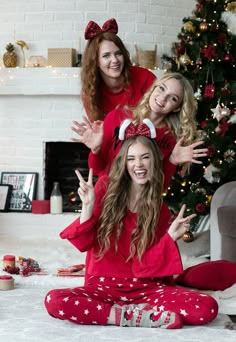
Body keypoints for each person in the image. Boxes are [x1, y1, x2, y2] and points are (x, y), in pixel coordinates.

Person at [44, 120, 218, 329]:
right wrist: (88, 207)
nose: (139, 165)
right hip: (102, 287)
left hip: (145, 288)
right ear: (124, 164)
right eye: (131, 159)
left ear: (154, 161)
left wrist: (169, 238)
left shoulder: (160, 209)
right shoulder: (103, 192)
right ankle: (126, 317)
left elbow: (146, 267)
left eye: (145, 157)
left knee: (206, 307)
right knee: (54, 301)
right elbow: (83, 243)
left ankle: (130, 313)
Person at [71, 72, 208, 190]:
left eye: (173, 98)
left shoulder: (170, 139)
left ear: (177, 107)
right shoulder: (116, 117)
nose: (163, 98)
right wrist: (96, 149)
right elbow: (97, 169)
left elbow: (160, 187)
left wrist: (172, 160)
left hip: (138, 207)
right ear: (153, 88)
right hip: (106, 197)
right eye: (161, 88)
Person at [78, 18, 156, 122]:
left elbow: (161, 118)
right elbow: (101, 130)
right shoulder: (91, 93)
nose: (115, 60)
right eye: (106, 55)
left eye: (118, 53)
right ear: (95, 61)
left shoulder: (145, 77)